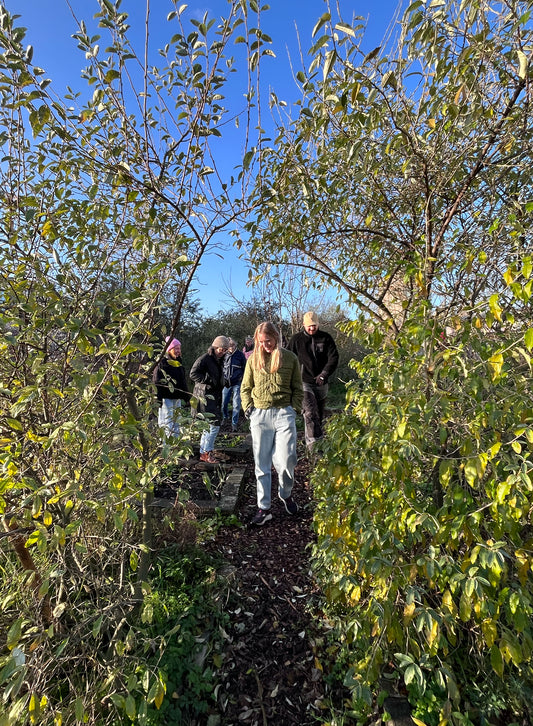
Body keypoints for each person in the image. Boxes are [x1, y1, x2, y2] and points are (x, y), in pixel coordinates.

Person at [241, 322, 304, 526]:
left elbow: (298, 387)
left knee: (287, 459)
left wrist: (294, 409)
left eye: (268, 340)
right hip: (260, 415)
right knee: (262, 463)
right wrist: (249, 408)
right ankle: (264, 508)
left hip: (284, 413)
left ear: (276, 338)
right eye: (261, 342)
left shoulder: (290, 358)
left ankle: (285, 494)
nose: (265, 345)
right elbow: (245, 387)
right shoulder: (253, 360)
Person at [287, 311, 339, 450]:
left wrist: (324, 374)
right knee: (310, 412)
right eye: (309, 326)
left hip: (321, 382)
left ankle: (313, 440)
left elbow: (333, 358)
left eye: (314, 326)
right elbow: (287, 358)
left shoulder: (326, 338)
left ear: (318, 324)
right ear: (304, 324)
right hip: (303, 381)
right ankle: (315, 447)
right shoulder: (296, 340)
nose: (311, 328)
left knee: (318, 415)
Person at [190, 335, 229, 463]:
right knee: (213, 426)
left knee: (209, 426)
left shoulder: (219, 360)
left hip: (214, 395)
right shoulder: (205, 359)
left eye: (225, 350)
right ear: (215, 347)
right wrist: (208, 380)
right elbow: (193, 374)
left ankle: (204, 453)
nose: (222, 352)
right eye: (221, 349)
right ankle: (207, 452)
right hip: (204, 396)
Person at [153, 337, 190, 438]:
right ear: (169, 350)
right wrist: (158, 400)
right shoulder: (162, 363)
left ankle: (175, 447)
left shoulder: (178, 362)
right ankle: (166, 446)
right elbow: (156, 382)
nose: (178, 351)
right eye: (176, 348)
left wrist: (187, 397)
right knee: (167, 423)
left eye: (179, 348)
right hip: (166, 398)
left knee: (176, 422)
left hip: (176, 398)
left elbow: (182, 381)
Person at [222, 338, 247, 432]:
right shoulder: (225, 355)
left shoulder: (240, 355)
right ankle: (225, 417)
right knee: (224, 402)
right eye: (229, 346)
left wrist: (242, 378)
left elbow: (245, 368)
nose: (231, 348)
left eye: (232, 346)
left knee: (236, 404)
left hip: (237, 382)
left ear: (235, 345)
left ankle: (234, 423)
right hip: (226, 383)